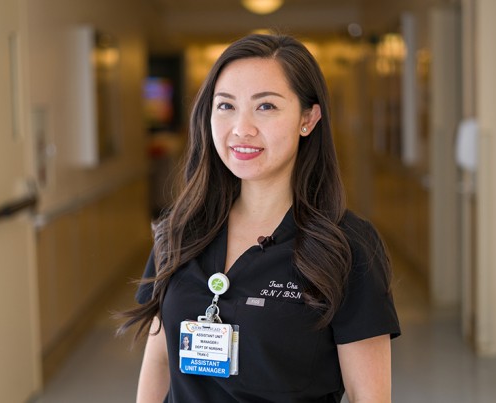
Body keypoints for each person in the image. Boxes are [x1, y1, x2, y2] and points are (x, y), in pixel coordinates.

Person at [118, 33, 400, 403]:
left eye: (265, 107)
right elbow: (159, 362)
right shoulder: (180, 230)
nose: (241, 128)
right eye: (226, 106)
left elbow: (370, 397)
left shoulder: (347, 245)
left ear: (308, 118)